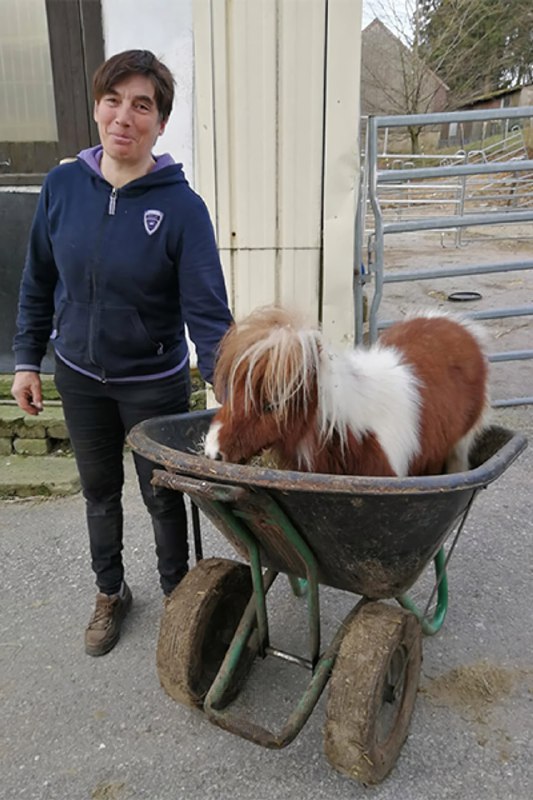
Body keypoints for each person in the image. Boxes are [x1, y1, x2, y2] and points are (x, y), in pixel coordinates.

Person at [11, 49, 233, 657]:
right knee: (99, 492)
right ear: (97, 108)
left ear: (160, 123)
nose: (124, 117)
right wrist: (27, 361)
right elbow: (37, 280)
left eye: (141, 105)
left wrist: (227, 386)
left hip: (154, 381)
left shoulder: (183, 209)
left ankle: (177, 596)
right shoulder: (61, 187)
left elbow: (208, 314)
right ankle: (110, 592)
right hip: (79, 375)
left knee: (163, 495)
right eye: (113, 101)